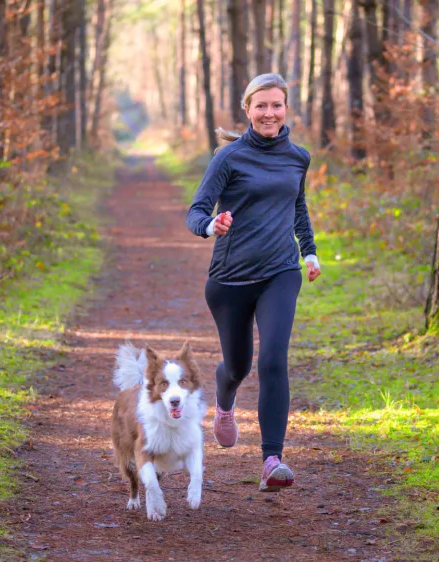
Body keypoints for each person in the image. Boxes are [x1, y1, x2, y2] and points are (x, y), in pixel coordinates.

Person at [186, 73, 321, 492]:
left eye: (276, 105)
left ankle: (272, 460)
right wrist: (212, 226)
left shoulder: (298, 157)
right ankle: (224, 403)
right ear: (247, 110)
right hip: (230, 279)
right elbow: (196, 211)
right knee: (239, 365)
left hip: (281, 272)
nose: (269, 113)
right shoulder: (228, 158)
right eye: (261, 105)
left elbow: (297, 207)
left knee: (273, 360)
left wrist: (309, 252)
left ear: (286, 109)